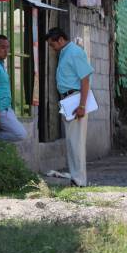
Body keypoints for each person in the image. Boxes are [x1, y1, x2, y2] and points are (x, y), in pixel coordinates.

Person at [45, 27, 94, 187]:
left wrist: (82, 105)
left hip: (76, 98)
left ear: (60, 40)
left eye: (53, 44)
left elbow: (85, 79)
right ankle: (76, 178)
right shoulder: (65, 52)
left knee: (77, 142)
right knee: (72, 142)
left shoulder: (74, 52)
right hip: (69, 99)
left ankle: (79, 181)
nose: (52, 48)